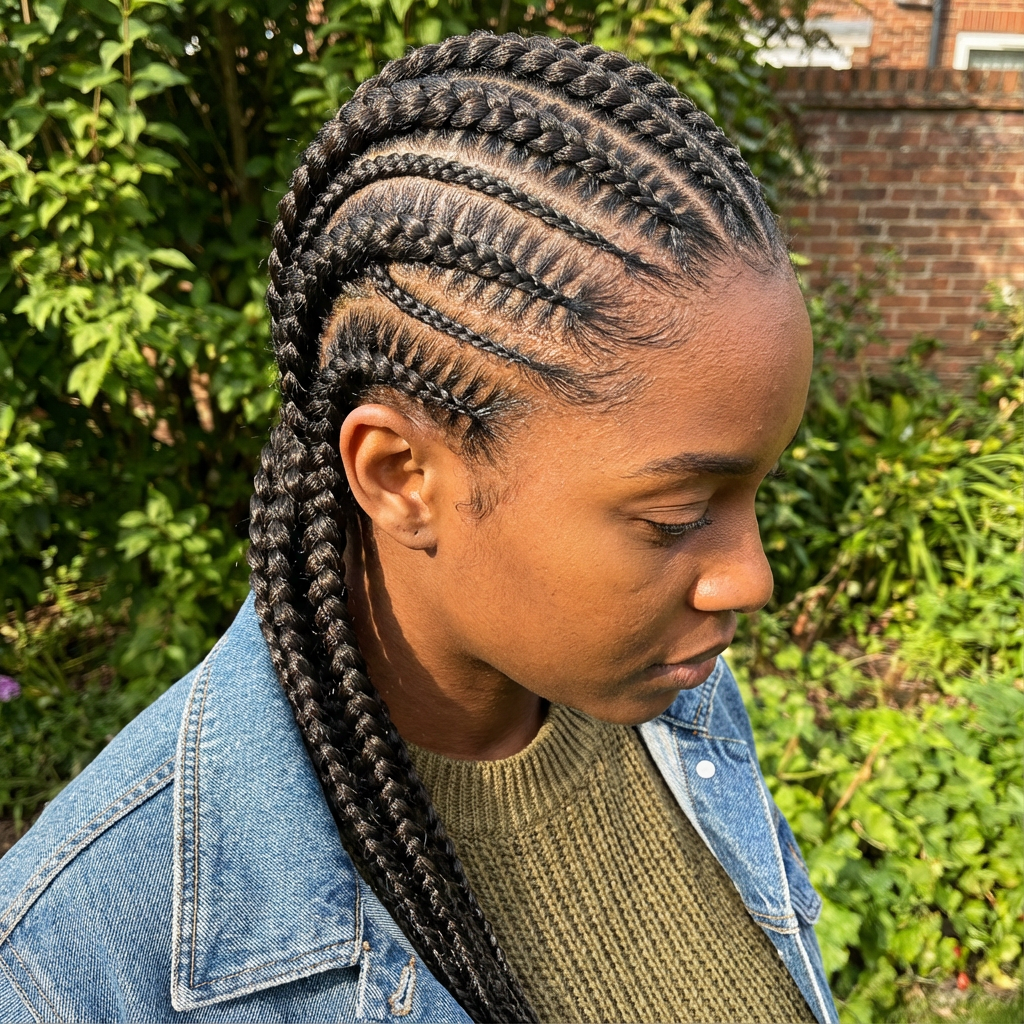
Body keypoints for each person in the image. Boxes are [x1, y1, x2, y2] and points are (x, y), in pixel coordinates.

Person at [0, 31, 837, 1024]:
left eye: (752, 495)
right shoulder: (77, 963)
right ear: (399, 474)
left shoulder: (669, 699)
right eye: (675, 517)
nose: (747, 577)